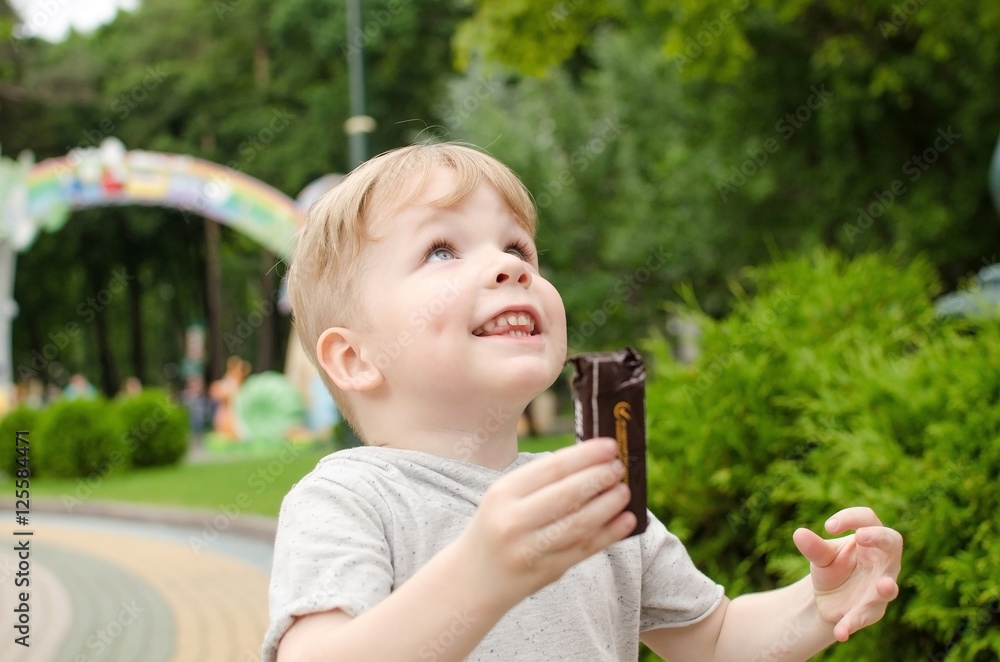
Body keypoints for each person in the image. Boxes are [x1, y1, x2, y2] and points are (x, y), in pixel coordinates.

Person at [263, 144, 903, 662]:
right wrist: (478, 577)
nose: (510, 268)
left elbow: (714, 641)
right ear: (355, 358)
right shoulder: (350, 501)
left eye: (517, 248)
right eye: (441, 250)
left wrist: (816, 607)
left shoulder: (595, 497)